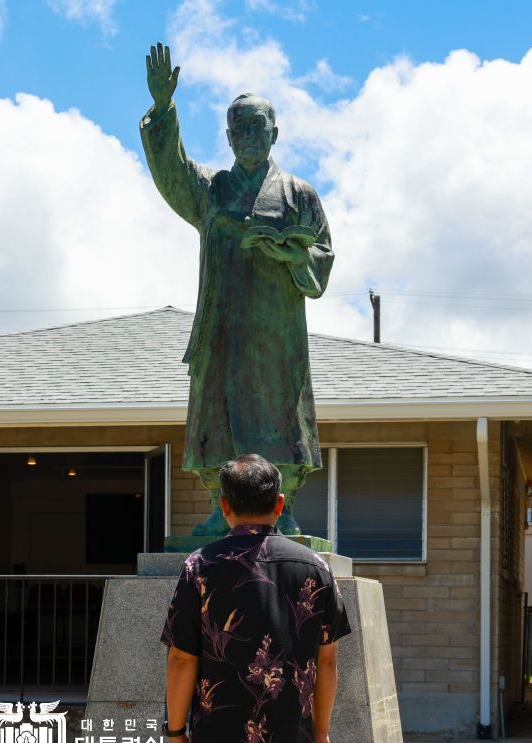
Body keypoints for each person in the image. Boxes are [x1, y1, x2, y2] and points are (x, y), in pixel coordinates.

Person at [141, 42, 335, 538]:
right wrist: (164, 110)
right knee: (217, 417)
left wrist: (290, 253)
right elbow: (173, 173)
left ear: (275, 132)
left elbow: (322, 259)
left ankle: (280, 508)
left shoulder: (298, 195)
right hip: (222, 330)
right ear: (227, 137)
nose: (248, 135)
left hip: (276, 337)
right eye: (239, 128)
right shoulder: (213, 190)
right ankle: (219, 506)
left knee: (278, 418)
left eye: (257, 126)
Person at [160, 454, 351, 743]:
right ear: (279, 504)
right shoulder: (316, 567)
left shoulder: (199, 567)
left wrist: (175, 734)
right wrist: (320, 730)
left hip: (219, 738)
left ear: (224, 506)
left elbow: (182, 660)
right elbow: (327, 661)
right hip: (290, 733)